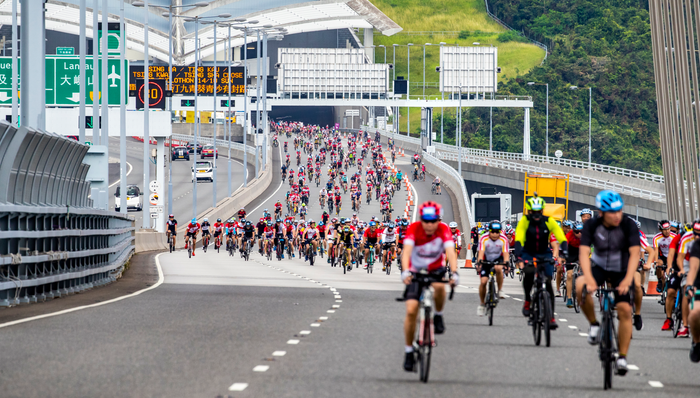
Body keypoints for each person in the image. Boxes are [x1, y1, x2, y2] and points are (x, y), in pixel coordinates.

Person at [576, 190, 640, 375]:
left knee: (625, 310)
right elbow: (584, 253)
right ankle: (594, 324)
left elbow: (635, 253)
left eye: (619, 211)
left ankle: (622, 357)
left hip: (621, 269)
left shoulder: (628, 224)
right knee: (580, 285)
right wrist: (588, 278)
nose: (617, 216)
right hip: (599, 266)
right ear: (601, 213)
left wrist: (628, 279)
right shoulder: (592, 225)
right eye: (612, 212)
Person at [402, 201, 459, 371]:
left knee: (440, 287)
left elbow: (451, 252)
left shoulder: (444, 230)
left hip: (436, 268)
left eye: (433, 221)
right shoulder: (413, 229)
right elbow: (406, 252)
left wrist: (454, 272)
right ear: (421, 220)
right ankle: (408, 351)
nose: (429, 225)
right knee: (411, 310)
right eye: (426, 221)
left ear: (438, 220)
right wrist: (405, 271)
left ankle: (439, 315)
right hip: (415, 270)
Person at [514, 194, 568, 330]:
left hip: (544, 253)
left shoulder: (549, 221)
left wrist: (564, 252)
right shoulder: (524, 221)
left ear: (542, 211)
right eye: (534, 212)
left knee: (548, 282)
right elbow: (519, 239)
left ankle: (551, 317)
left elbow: (561, 238)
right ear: (529, 211)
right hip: (528, 252)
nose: (537, 215)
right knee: (529, 273)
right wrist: (519, 256)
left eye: (539, 212)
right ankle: (527, 300)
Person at [476, 222, 509, 316]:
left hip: (498, 258)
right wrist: (479, 263)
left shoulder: (503, 239)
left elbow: (506, 254)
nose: (495, 234)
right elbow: (481, 253)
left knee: (498, 268)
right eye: (492, 232)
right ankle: (482, 304)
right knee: (483, 282)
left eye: (497, 232)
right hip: (486, 259)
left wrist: (506, 264)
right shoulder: (484, 238)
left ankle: (500, 290)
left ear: (500, 232)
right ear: (489, 231)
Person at [683, 221, 700, 362]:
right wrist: (689, 285)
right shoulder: (697, 246)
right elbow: (693, 269)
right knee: (694, 313)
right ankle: (696, 342)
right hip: (699, 284)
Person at [563, 222, 583, 308]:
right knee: (569, 275)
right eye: (577, 232)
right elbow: (564, 246)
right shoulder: (569, 235)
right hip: (571, 252)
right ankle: (569, 298)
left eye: (581, 231)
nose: (579, 234)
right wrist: (563, 257)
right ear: (573, 231)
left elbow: (589, 248)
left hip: (581, 250)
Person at [653, 220, 676, 294]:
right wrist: (656, 261)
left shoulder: (674, 236)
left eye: (669, 229)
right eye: (665, 230)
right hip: (662, 256)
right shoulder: (656, 238)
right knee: (658, 264)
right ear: (660, 230)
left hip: (672, 256)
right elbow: (656, 251)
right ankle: (660, 281)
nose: (667, 231)